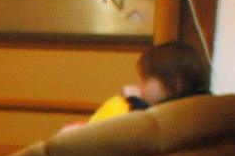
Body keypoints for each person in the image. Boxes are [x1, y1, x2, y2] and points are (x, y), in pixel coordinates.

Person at [70, 41, 210, 128]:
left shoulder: (178, 116)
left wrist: (134, 100)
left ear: (174, 82)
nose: (139, 86)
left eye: (144, 80)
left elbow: (146, 130)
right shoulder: (203, 105)